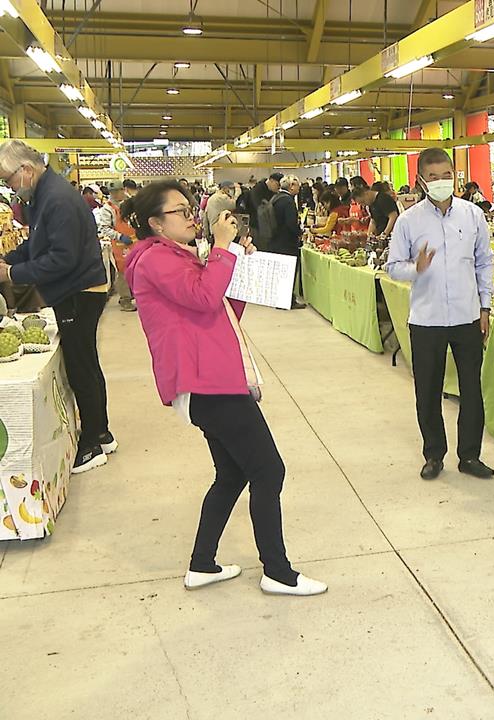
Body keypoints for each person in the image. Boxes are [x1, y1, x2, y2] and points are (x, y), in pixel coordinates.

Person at [122, 179, 326, 597]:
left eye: (189, 206)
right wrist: (220, 249)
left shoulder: (176, 256)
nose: (190, 215)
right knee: (269, 469)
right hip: (205, 381)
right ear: (155, 223)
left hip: (213, 374)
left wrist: (237, 263)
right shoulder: (154, 261)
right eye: (180, 211)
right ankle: (278, 572)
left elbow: (218, 307)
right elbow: (201, 297)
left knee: (232, 473)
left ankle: (202, 564)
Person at [0, 140, 115, 473]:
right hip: (78, 288)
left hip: (79, 290)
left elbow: (61, 259)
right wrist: (9, 258)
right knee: (87, 364)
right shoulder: (45, 194)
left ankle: (92, 442)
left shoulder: (57, 199)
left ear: (26, 170)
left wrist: (13, 273)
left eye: (9, 180)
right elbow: (39, 244)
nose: (10, 188)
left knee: (81, 368)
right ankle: (102, 432)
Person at [385, 148, 494, 481]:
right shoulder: (409, 221)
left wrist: (485, 307)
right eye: (433, 177)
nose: (441, 182)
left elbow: (484, 262)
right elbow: (392, 267)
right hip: (427, 319)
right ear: (420, 180)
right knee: (428, 391)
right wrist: (415, 268)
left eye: (446, 175)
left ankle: (470, 456)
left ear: (455, 175)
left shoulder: (473, 215)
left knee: (471, 390)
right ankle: (433, 454)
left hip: (467, 315)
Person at [94, 182, 137, 311]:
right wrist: (119, 236)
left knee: (136, 269)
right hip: (120, 246)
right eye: (114, 192)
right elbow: (105, 228)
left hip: (134, 242)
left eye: (119, 191)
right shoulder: (107, 209)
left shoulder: (129, 203)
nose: (117, 194)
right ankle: (125, 299)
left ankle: (135, 295)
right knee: (123, 272)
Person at [273, 175, 306, 310]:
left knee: (281, 272)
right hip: (286, 242)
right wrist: (299, 232)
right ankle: (288, 300)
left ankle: (280, 299)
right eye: (297, 185)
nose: (299, 188)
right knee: (289, 271)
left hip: (276, 240)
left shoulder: (276, 198)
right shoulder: (287, 201)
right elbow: (291, 223)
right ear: (291, 186)